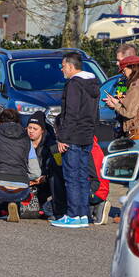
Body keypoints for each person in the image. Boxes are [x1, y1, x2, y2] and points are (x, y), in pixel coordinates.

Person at [52, 51, 100, 228]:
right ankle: (83, 214)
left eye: (63, 66)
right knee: (82, 176)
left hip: (72, 137)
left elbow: (71, 113)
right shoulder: (93, 84)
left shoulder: (74, 84)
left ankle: (73, 215)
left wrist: (62, 137)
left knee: (71, 177)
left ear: (71, 66)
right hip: (86, 135)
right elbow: (95, 113)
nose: (62, 69)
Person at [103, 54, 139, 186]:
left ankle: (132, 207)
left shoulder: (137, 84)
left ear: (132, 68)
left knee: (134, 182)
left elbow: (129, 112)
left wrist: (115, 105)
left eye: (124, 70)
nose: (124, 74)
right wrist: (121, 101)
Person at [25, 111, 65, 219]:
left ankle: (54, 209)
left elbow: (59, 165)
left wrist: (44, 177)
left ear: (42, 130)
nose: (31, 131)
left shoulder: (52, 146)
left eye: (35, 129)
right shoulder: (22, 143)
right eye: (29, 128)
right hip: (26, 180)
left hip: (44, 182)